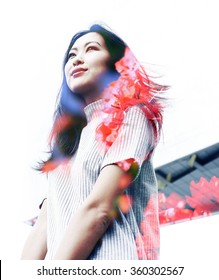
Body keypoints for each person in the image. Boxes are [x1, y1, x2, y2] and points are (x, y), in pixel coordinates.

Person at [21, 23, 168, 260]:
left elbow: (99, 210)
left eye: (91, 49)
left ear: (116, 63)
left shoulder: (132, 115)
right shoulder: (67, 144)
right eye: (72, 55)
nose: (77, 60)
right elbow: (44, 226)